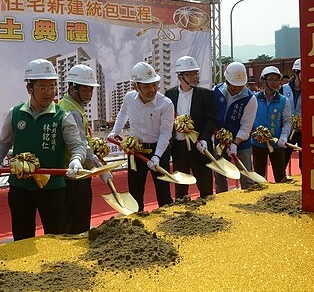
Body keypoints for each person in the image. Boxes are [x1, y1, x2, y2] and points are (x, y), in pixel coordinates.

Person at [0, 59, 86, 240]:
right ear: (29, 88)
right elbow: (3, 142)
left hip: (53, 188)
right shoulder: (15, 113)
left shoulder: (62, 116)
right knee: (22, 237)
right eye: (42, 87)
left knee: (57, 237)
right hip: (21, 187)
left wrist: (76, 159)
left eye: (52, 86)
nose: (49, 92)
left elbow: (77, 144)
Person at [108, 62, 174, 211]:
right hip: (136, 151)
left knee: (163, 190)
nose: (152, 90)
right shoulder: (129, 98)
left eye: (154, 85)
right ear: (136, 86)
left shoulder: (166, 104)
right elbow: (123, 113)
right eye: (146, 86)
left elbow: (166, 132)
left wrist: (156, 156)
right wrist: (115, 131)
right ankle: (137, 222)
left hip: (159, 149)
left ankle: (168, 221)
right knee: (135, 190)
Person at [58, 64, 111, 234]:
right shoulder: (72, 111)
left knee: (68, 219)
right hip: (76, 175)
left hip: (70, 173)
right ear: (73, 88)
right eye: (86, 90)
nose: (89, 95)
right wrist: (100, 169)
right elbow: (82, 146)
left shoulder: (67, 105)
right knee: (77, 221)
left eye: (91, 90)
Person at [165, 56, 216, 200]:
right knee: (181, 188)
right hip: (179, 148)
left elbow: (211, 120)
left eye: (195, 73)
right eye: (190, 74)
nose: (194, 77)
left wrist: (205, 139)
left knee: (205, 185)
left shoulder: (206, 94)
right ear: (179, 76)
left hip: (199, 146)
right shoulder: (170, 95)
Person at [213, 62, 257, 192]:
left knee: (246, 175)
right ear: (226, 81)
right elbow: (211, 117)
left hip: (241, 143)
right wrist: (217, 135)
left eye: (240, 87)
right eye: (233, 87)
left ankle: (249, 202)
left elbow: (246, 126)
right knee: (219, 175)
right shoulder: (215, 92)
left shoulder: (250, 99)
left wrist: (235, 144)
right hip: (219, 141)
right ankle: (222, 202)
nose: (237, 90)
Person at [251, 65, 291, 183]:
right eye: (271, 79)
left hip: (277, 144)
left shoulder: (284, 101)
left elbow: (287, 121)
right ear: (263, 80)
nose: (275, 83)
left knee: (280, 176)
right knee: (258, 178)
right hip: (258, 144)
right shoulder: (254, 99)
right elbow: (248, 119)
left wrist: (283, 137)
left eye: (277, 79)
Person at [284, 58, 303, 172]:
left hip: (303, 131)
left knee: (304, 162)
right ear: (296, 73)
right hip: (287, 130)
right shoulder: (284, 89)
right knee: (283, 159)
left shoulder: (311, 89)